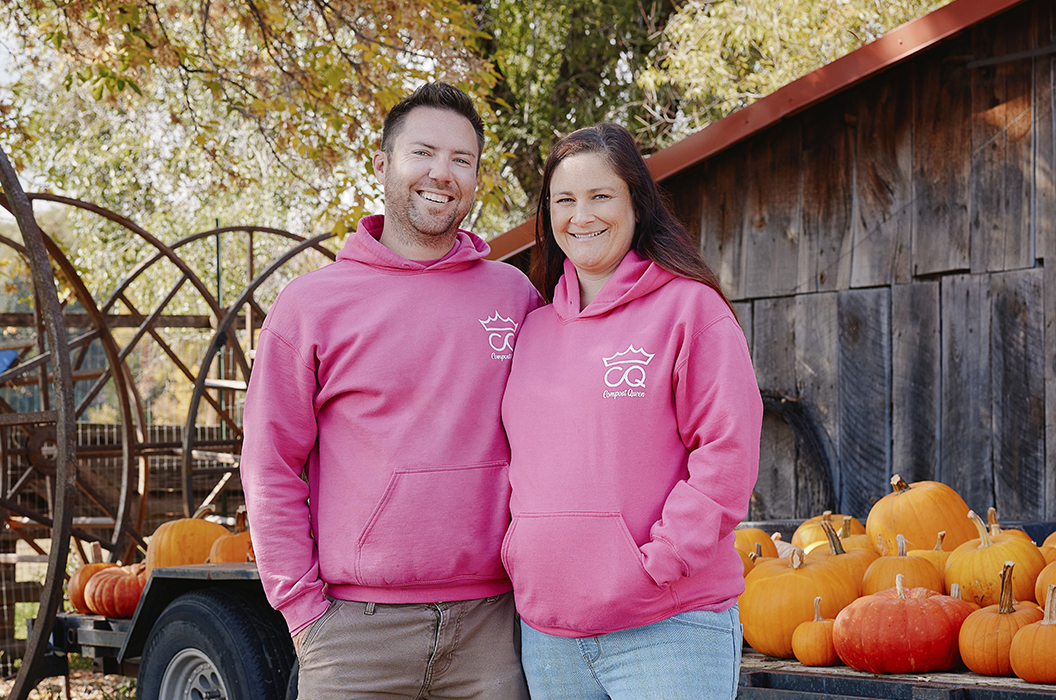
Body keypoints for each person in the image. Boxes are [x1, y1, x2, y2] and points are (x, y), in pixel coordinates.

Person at [240, 82, 539, 699]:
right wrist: (304, 613)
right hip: (353, 638)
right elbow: (270, 464)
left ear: (477, 178)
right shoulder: (311, 305)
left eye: (462, 160)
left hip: (491, 630)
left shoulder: (514, 297)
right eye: (422, 152)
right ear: (383, 163)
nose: (442, 173)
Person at [500, 123, 763, 700]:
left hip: (667, 626)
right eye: (564, 200)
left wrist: (661, 561)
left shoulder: (691, 310)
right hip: (552, 634)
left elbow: (726, 451)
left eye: (600, 196)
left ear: (636, 205)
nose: (582, 215)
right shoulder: (534, 328)